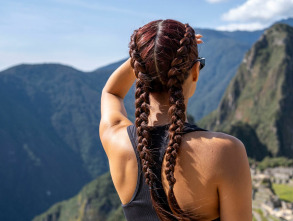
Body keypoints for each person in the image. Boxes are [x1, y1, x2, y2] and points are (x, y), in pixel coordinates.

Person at [99, 19, 252, 221]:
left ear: (139, 73)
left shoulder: (115, 139)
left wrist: (148, 53)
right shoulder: (226, 152)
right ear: (195, 72)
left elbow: (111, 93)